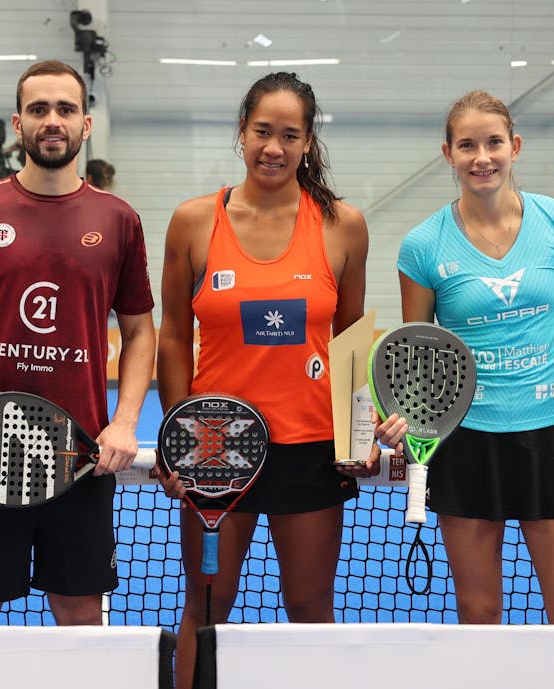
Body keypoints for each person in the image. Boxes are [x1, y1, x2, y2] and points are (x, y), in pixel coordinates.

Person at [156, 72, 405, 687]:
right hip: (215, 447)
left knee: (310, 608)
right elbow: (169, 336)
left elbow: (350, 340)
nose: (273, 146)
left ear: (307, 143)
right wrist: (177, 438)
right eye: (262, 131)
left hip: (312, 449)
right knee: (208, 608)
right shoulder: (192, 221)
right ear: (241, 133)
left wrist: (356, 432)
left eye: (289, 135)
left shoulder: (343, 225)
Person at [0, 60, 156, 626]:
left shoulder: (119, 221)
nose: (52, 120)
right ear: (18, 124)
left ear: (85, 124)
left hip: (81, 455)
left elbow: (141, 331)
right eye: (39, 109)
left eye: (65, 109)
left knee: (81, 615)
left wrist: (125, 421)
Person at [397, 90, 554, 624]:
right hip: (465, 442)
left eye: (493, 143)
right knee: (480, 612)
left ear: (515, 146)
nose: (481, 157)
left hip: (551, 435)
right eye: (467, 145)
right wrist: (396, 419)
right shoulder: (422, 246)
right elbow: (416, 355)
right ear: (448, 154)